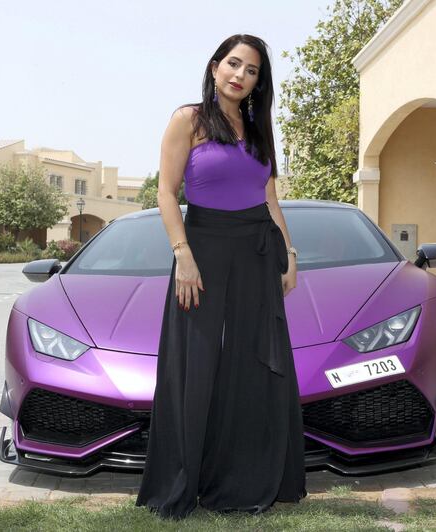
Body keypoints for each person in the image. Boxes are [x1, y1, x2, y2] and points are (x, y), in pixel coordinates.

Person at [135, 34, 307, 520]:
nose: (240, 75)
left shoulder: (256, 128)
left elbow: (269, 197)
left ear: (258, 82)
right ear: (215, 67)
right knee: (195, 363)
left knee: (256, 361)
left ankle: (249, 479)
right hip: (203, 248)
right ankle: (183, 480)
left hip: (257, 249)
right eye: (234, 64)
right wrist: (182, 253)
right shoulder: (187, 119)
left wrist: (289, 253)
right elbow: (167, 193)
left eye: (251, 70)